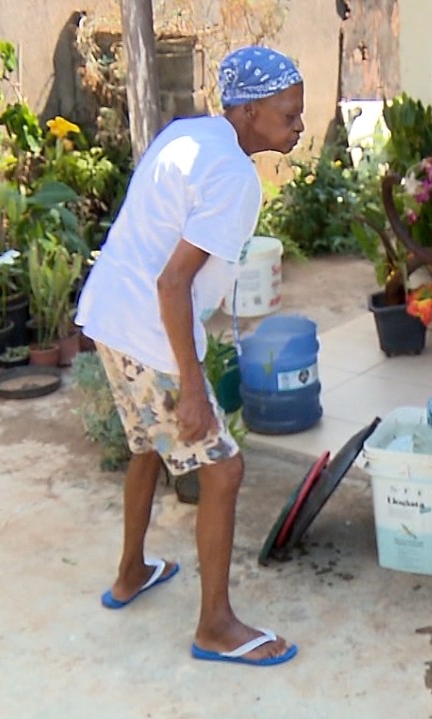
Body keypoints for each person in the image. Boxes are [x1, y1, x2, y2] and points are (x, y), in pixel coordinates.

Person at [75, 46, 304, 667]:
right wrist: (195, 386)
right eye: (288, 116)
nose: (300, 127)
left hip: (109, 316)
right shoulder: (235, 178)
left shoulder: (190, 134)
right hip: (150, 330)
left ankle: (130, 573)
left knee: (149, 445)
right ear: (250, 111)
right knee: (222, 470)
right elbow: (173, 285)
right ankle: (215, 626)